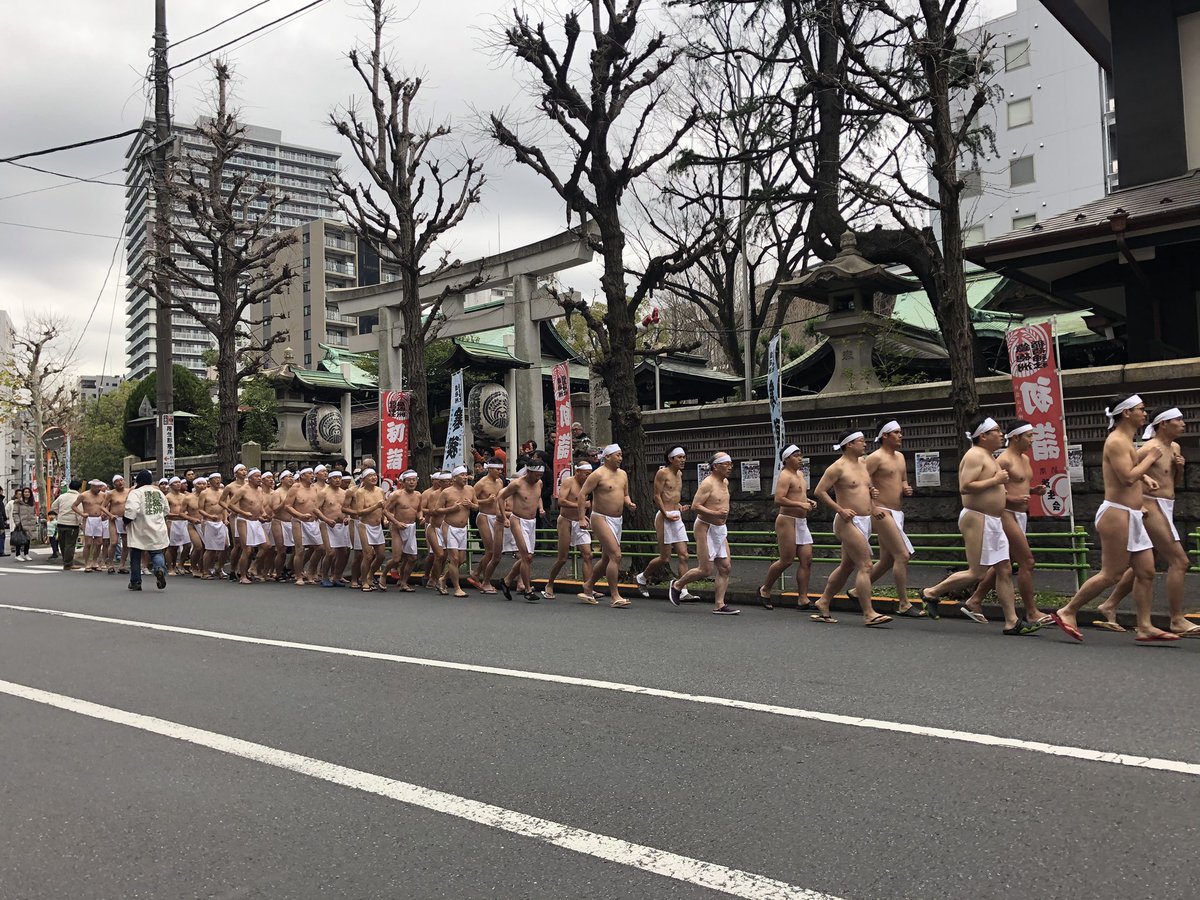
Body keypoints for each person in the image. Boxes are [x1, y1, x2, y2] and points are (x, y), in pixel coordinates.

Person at [1049, 396, 1181, 643]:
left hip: (1132, 514)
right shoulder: (1117, 441)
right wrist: (1150, 460)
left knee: (1146, 570)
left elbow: (1131, 474)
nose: (1145, 414)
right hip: (1116, 513)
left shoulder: (1127, 441)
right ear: (1127, 413)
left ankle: (1144, 626)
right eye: (1141, 409)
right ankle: (1068, 610)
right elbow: (1127, 477)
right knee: (1111, 574)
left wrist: (1146, 478)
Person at [918, 418, 1038, 635]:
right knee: (977, 572)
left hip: (992, 519)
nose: (1001, 435)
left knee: (1004, 568)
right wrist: (996, 480)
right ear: (983, 436)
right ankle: (930, 592)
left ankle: (1012, 622)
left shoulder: (989, 457)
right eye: (996, 431)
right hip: (977, 517)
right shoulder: (974, 455)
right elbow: (966, 487)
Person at [1093, 408, 1198, 637]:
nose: (1183, 423)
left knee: (1145, 565)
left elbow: (1170, 483)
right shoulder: (1148, 448)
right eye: (1177, 420)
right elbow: (1128, 476)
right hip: (1150, 508)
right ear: (1163, 424)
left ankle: (1111, 605)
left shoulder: (1175, 448)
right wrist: (1138, 503)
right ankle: (1177, 619)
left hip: (1165, 506)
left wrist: (1179, 469)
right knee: (1179, 562)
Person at [960, 422, 1053, 626]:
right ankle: (1031, 612)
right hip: (1003, 514)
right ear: (1016, 437)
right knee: (1026, 562)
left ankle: (975, 600)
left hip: (1018, 514)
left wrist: (1032, 492)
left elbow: (1011, 486)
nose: (1032, 439)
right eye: (1028, 436)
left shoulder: (1023, 459)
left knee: (1003, 564)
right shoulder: (999, 459)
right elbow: (988, 488)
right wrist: (1011, 500)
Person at [810, 431, 893, 627]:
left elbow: (864, 489)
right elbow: (819, 491)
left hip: (865, 519)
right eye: (861, 442)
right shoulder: (837, 467)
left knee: (847, 566)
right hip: (847, 522)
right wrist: (840, 509)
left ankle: (823, 601)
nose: (865, 445)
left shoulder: (863, 463)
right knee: (866, 565)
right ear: (849, 445)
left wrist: (873, 502)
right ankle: (869, 613)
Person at [860, 420, 923, 617]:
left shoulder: (901, 457)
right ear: (885, 436)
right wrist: (871, 507)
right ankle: (904, 603)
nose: (900, 436)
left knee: (887, 559)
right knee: (902, 555)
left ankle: (858, 590)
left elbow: (902, 478)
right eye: (896, 432)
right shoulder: (875, 458)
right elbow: (860, 482)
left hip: (897, 511)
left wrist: (906, 486)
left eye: (900, 432)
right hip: (881, 511)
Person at [669, 452, 741, 615]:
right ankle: (677, 585)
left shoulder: (725, 482)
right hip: (705, 527)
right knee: (705, 569)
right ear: (716, 466)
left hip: (719, 529)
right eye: (726, 464)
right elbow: (695, 506)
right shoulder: (708, 483)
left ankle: (719, 604)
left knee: (725, 567)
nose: (730, 467)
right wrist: (715, 514)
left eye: (731, 463)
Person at [577, 444, 637, 607]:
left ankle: (588, 586)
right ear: (608, 457)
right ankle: (615, 595)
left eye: (621, 455)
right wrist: (582, 518)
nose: (620, 458)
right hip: (600, 518)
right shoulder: (598, 474)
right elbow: (582, 495)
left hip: (617, 519)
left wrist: (629, 503)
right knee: (616, 555)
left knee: (606, 559)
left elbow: (625, 494)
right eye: (617, 455)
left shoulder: (623, 474)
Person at [758, 444, 817, 610]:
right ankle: (765, 589)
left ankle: (803, 599)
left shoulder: (800, 474)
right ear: (786, 459)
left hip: (801, 521)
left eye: (800, 455)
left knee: (807, 559)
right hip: (787, 520)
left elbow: (799, 494)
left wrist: (808, 501)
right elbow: (779, 499)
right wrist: (800, 504)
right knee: (786, 560)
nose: (800, 459)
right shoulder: (784, 475)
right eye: (796, 456)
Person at [635, 447, 695, 600]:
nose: (683, 460)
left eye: (684, 457)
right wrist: (665, 513)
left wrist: (679, 506)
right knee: (665, 558)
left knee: (684, 555)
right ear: (671, 459)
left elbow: (673, 495)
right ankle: (642, 577)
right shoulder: (662, 473)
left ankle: (682, 590)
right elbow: (657, 496)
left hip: (676, 516)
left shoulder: (679, 474)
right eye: (679, 457)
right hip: (664, 517)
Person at [496, 460, 546, 602]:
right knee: (526, 557)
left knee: (528, 556)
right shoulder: (517, 484)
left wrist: (540, 508)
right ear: (528, 472)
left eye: (540, 475)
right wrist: (503, 517)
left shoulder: (539, 483)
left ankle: (506, 581)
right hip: (517, 520)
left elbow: (538, 496)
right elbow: (501, 497)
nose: (538, 478)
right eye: (536, 475)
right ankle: (527, 589)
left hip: (532, 522)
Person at [545, 461, 595, 599]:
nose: (588, 477)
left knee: (588, 555)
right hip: (566, 521)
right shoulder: (568, 482)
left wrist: (586, 516)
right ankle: (549, 584)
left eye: (590, 474)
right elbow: (561, 501)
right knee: (562, 558)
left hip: (580, 521)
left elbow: (590, 504)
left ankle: (588, 588)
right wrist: (580, 505)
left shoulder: (589, 484)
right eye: (586, 474)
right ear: (578, 471)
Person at [123, 469, 169, 591]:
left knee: (136, 555)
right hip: (157, 527)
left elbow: (131, 510)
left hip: (140, 527)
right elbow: (166, 510)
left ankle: (136, 582)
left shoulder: (136, 493)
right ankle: (159, 569)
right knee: (156, 552)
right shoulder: (158, 493)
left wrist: (126, 521)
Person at [438, 465, 478, 597]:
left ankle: (443, 579)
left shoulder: (470, 489)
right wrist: (451, 509)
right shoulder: (446, 492)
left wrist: (471, 505)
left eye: (466, 475)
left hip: (462, 528)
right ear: (454, 478)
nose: (465, 477)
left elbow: (477, 507)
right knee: (454, 558)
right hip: (449, 527)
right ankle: (457, 588)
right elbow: (437, 510)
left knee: (460, 560)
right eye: (462, 475)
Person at [467, 458, 506, 594]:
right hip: (483, 516)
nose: (499, 472)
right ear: (490, 469)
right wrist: (486, 500)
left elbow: (502, 499)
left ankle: (476, 573)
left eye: (501, 469)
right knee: (490, 550)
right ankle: (480, 576)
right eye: (497, 469)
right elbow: (471, 500)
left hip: (496, 517)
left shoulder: (500, 481)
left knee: (495, 551)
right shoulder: (481, 483)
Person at [382, 470, 422, 591]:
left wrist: (421, 517)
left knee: (412, 558)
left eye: (414, 480)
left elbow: (419, 509)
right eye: (409, 480)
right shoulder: (396, 495)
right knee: (396, 558)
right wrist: (396, 522)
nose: (411, 482)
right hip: (397, 527)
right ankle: (383, 575)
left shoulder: (418, 495)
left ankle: (404, 582)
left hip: (411, 527)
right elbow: (385, 510)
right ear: (403, 482)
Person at [352, 468, 388, 592]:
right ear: (364, 479)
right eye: (370, 476)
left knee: (381, 555)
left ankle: (370, 574)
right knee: (368, 555)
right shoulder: (360, 493)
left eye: (375, 475)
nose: (373, 478)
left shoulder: (380, 490)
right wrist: (375, 506)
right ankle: (364, 581)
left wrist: (385, 519)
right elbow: (359, 512)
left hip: (377, 526)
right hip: (365, 525)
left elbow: (384, 508)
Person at [51, 479, 82, 570]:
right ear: (79, 488)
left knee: (63, 544)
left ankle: (66, 561)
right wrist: (81, 523)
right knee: (70, 544)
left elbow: (53, 506)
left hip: (61, 522)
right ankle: (68, 564)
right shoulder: (79, 497)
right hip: (72, 524)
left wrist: (60, 513)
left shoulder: (62, 496)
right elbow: (79, 511)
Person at [102, 474, 130, 573]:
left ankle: (122, 565)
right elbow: (102, 507)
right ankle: (110, 564)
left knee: (126, 543)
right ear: (114, 484)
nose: (120, 482)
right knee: (113, 542)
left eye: (121, 480)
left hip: (126, 519)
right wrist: (110, 515)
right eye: (117, 481)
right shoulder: (110, 494)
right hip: (114, 519)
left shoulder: (129, 491)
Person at [9, 486, 38, 561]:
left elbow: (34, 512)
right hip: (21, 523)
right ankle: (18, 554)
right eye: (25, 492)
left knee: (28, 539)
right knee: (20, 538)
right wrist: (18, 522)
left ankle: (26, 554)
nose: (27, 493)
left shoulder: (32, 502)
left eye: (28, 492)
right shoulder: (18, 502)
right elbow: (15, 513)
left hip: (30, 523)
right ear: (22, 493)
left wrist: (35, 520)